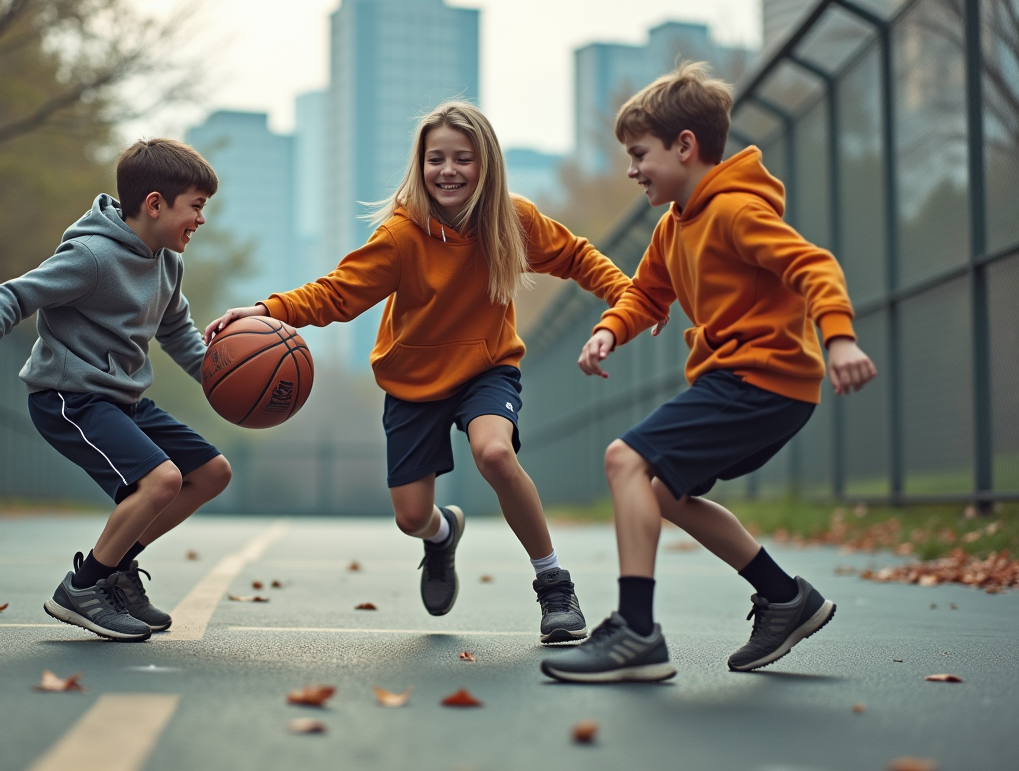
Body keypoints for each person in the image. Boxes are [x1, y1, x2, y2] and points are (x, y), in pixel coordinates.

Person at [207, 102, 648, 644]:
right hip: (412, 380)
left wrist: (629, 299)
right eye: (436, 158)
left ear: (486, 165)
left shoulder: (513, 221)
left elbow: (578, 256)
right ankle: (442, 536)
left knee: (494, 453)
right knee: (412, 517)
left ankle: (554, 584)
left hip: (487, 366)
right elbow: (336, 293)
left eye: (463, 158)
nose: (448, 170)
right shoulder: (401, 237)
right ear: (420, 166)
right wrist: (266, 311)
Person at [541, 62, 878, 682]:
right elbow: (646, 294)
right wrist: (608, 330)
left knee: (624, 460)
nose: (631, 168)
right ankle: (784, 598)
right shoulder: (674, 227)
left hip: (761, 378)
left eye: (639, 153)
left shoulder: (735, 212)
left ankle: (636, 633)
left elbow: (814, 266)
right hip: (745, 384)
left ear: (685, 147)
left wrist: (840, 339)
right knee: (664, 492)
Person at [0, 139, 232, 642]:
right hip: (69, 397)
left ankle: (115, 571)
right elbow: (12, 295)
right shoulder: (91, 257)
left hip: (123, 400)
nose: (201, 219)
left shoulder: (168, 264)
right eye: (196, 207)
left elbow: (178, 335)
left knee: (211, 472)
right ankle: (83, 587)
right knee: (161, 481)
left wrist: (224, 385)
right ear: (155, 204)